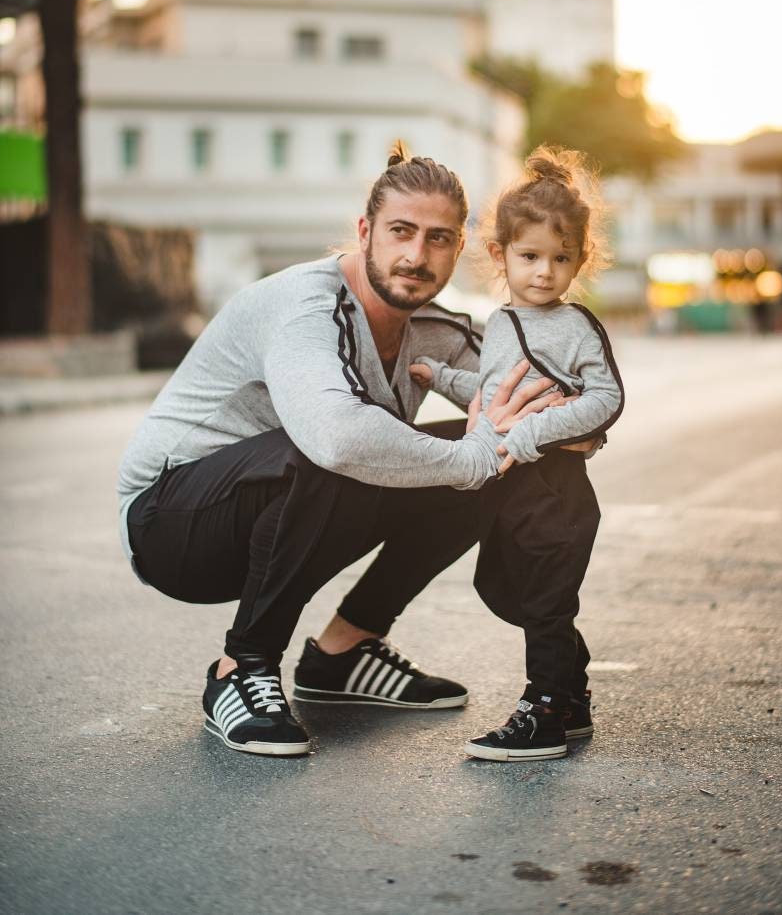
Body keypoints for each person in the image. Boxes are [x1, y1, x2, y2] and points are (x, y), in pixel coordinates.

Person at [118, 144, 583, 757]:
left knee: (502, 461)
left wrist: (560, 424)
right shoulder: (305, 305)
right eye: (401, 231)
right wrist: (474, 454)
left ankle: (343, 652)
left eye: (439, 238)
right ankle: (242, 669)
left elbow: (551, 398)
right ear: (365, 231)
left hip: (285, 521)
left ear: (461, 247)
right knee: (341, 446)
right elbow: (334, 435)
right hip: (173, 524)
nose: (417, 256)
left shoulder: (435, 328)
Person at [410, 146, 624, 761]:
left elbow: (606, 397)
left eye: (560, 259)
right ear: (500, 255)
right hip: (512, 492)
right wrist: (442, 378)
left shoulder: (575, 325)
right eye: (530, 257)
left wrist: (534, 434)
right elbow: (493, 388)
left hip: (556, 491)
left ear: (580, 259)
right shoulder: (503, 320)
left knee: (546, 605)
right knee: (503, 588)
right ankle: (570, 693)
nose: (544, 272)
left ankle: (547, 710)